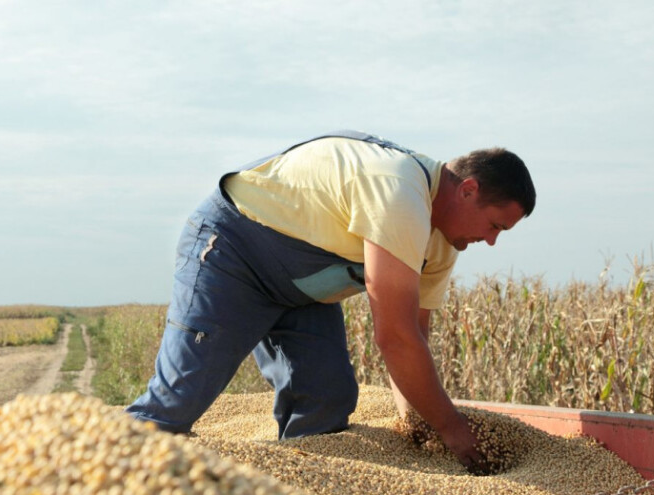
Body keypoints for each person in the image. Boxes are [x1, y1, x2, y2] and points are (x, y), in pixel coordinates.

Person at [126, 130, 536, 474]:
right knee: (177, 401)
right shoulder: (398, 188)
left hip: (304, 292)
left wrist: (417, 423)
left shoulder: (443, 244)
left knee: (325, 402)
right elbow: (394, 337)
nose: (492, 240)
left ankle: (297, 480)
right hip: (235, 251)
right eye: (495, 225)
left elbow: (415, 339)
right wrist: (450, 426)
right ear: (468, 190)